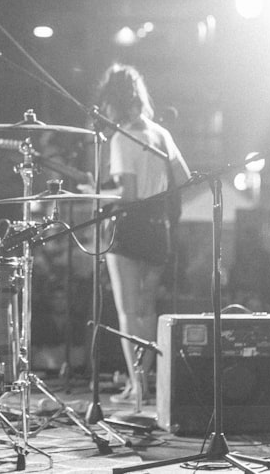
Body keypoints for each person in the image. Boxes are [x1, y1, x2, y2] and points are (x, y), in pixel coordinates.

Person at [96, 64, 190, 404]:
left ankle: (137, 386)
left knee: (127, 310)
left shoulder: (122, 137)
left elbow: (129, 195)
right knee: (148, 310)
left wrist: (95, 193)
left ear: (115, 102)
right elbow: (183, 177)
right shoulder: (161, 133)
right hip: (158, 226)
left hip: (129, 226)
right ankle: (146, 382)